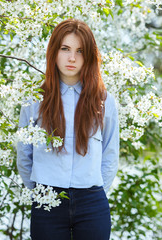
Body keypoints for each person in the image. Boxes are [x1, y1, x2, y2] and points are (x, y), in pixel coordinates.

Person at [16, 19, 119, 240]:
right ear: (54, 51)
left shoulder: (103, 100)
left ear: (89, 56)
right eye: (65, 49)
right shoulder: (34, 100)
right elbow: (24, 155)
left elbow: (110, 154)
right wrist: (39, 192)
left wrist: (93, 190)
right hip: (47, 202)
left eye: (80, 51)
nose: (72, 58)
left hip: (92, 204)